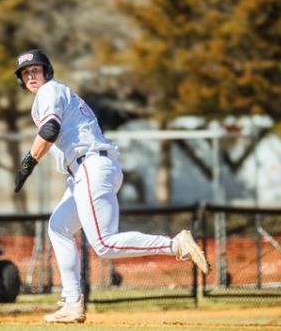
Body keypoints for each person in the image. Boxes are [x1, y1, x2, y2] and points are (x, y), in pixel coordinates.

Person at [14, 49, 211, 324]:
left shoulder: (50, 91)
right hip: (87, 169)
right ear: (21, 81)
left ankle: (175, 244)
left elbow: (49, 131)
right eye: (25, 72)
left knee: (105, 243)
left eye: (35, 69)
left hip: (91, 167)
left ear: (47, 71)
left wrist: (28, 161)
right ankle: (72, 301)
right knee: (58, 226)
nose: (30, 75)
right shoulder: (57, 94)